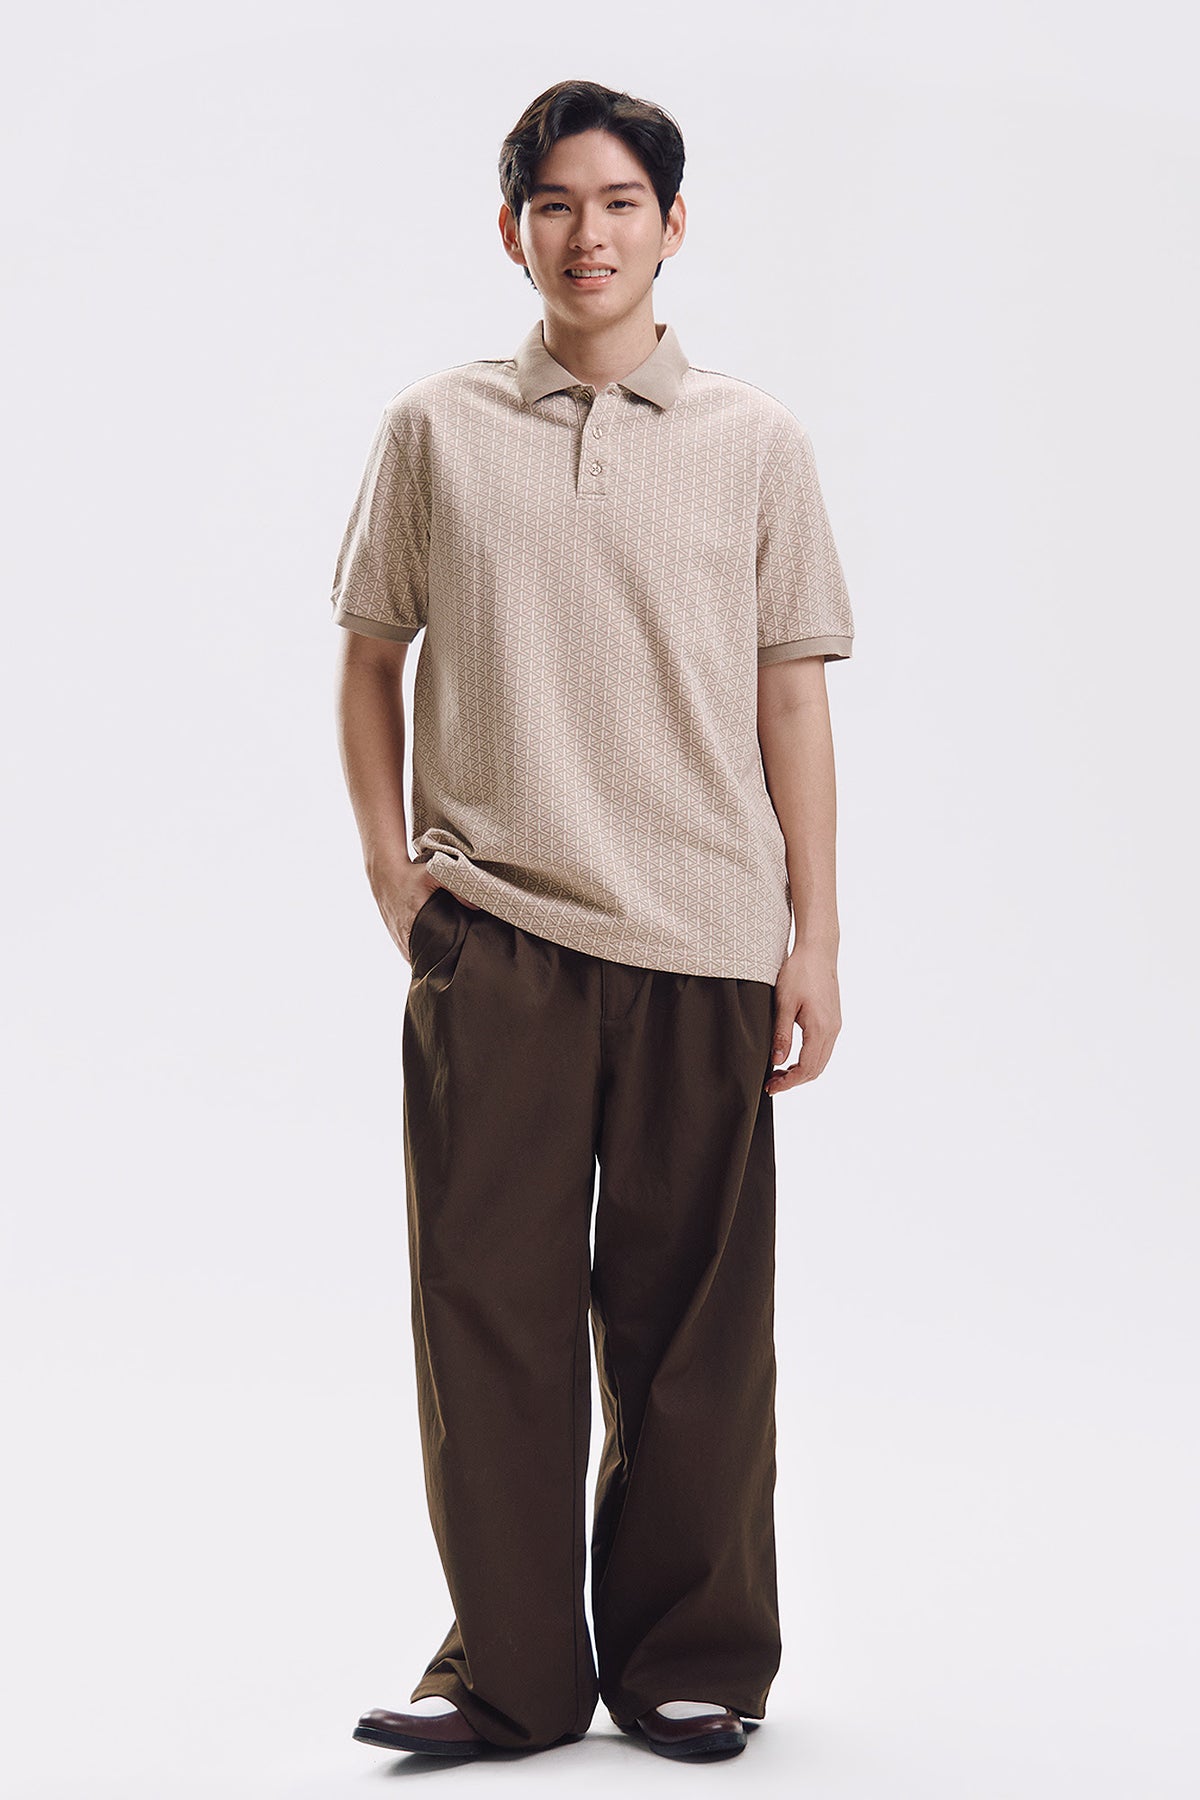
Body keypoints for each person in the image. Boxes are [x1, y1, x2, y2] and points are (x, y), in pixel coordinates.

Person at [330, 78, 854, 1764]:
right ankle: (510, 1673)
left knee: (694, 1329)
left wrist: (813, 937)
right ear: (512, 230)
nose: (588, 234)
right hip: (496, 933)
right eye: (555, 204)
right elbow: (369, 655)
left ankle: (693, 1659)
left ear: (672, 224)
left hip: (705, 934)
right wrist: (392, 874)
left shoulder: (757, 443)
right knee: (484, 1310)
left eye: (620, 202)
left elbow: (791, 699)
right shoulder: (435, 430)